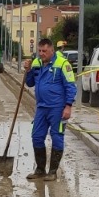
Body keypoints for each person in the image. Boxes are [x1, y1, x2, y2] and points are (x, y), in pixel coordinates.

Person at [23, 37, 76, 181]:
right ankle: (40, 169)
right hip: (41, 107)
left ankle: (52, 171)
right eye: (39, 51)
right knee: (37, 137)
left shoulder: (62, 64)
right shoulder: (37, 63)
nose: (41, 53)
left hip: (57, 108)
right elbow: (30, 83)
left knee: (57, 137)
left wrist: (68, 106)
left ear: (52, 50)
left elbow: (71, 86)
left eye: (44, 51)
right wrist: (28, 71)